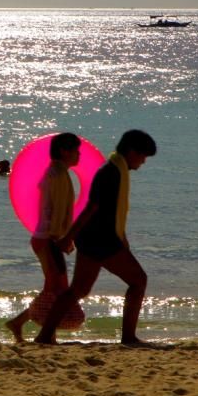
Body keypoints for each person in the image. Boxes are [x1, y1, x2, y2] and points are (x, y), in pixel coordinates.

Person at [36, 129, 157, 346]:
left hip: (95, 239)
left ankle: (44, 336)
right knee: (139, 280)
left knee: (78, 290)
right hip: (100, 241)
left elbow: (112, 212)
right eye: (142, 156)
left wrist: (123, 240)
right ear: (131, 151)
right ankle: (128, 338)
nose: (143, 161)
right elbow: (92, 208)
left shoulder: (115, 170)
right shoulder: (111, 173)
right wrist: (68, 237)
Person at [5, 132, 81, 343]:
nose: (79, 155)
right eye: (75, 150)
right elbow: (56, 212)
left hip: (48, 237)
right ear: (64, 151)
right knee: (56, 290)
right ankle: (42, 333)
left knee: (54, 288)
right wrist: (60, 238)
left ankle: (22, 324)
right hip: (48, 238)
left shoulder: (59, 172)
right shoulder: (56, 175)